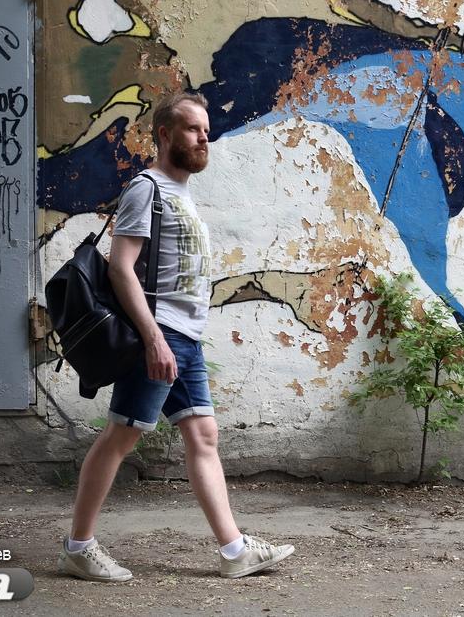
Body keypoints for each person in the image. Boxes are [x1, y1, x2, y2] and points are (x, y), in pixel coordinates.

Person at [58, 92, 295, 581]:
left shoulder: (181, 193)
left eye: (205, 130)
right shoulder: (148, 189)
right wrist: (153, 339)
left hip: (183, 336)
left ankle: (235, 551)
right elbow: (122, 270)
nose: (203, 138)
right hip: (161, 334)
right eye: (192, 129)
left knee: (203, 435)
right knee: (122, 435)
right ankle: (79, 546)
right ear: (165, 134)